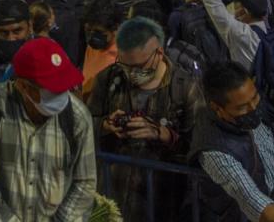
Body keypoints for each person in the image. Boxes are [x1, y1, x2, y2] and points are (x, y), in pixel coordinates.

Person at [0, 38, 96, 221]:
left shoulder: (77, 118)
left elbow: (84, 183)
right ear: (23, 86)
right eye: (52, 90)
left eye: (64, 86)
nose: (62, 95)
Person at [87, 17, 203, 221]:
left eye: (139, 67)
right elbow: (85, 125)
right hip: (111, 194)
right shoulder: (108, 79)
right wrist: (105, 125)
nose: (132, 74)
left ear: (159, 52)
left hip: (160, 202)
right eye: (125, 66)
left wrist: (164, 135)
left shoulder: (186, 88)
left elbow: (200, 149)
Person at [190, 61, 274, 222]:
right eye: (242, 107)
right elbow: (249, 196)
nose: (253, 108)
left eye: (255, 98)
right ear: (217, 108)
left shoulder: (253, 113)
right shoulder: (214, 150)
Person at [80, 0, 127, 98]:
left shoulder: (124, 57)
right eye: (89, 30)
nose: (92, 37)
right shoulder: (92, 47)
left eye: (99, 32)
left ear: (116, 28)